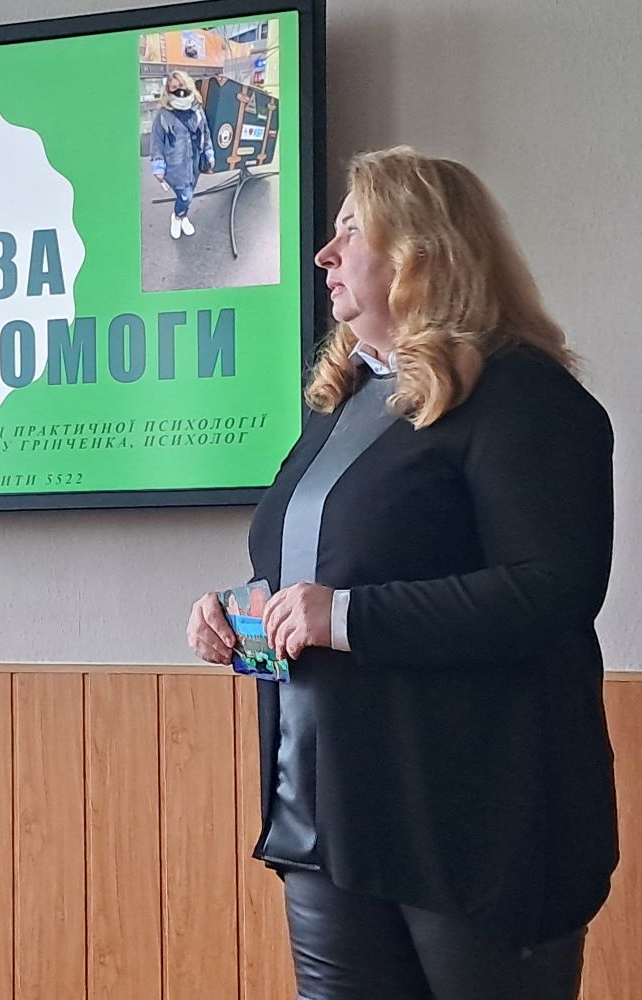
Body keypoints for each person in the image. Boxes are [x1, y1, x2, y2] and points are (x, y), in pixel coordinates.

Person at [186, 146, 617, 1000]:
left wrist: (346, 617)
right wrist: (242, 617)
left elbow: (552, 590)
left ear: (424, 250)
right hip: (323, 815)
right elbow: (323, 575)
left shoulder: (524, 397)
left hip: (469, 827)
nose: (324, 254)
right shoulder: (343, 403)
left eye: (352, 230)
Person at [149, 70, 216, 240]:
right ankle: (177, 217)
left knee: (189, 192)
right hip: (175, 166)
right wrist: (158, 165)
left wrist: (209, 153)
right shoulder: (163, 115)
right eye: (174, 87)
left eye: (181, 85)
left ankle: (183, 215)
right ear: (168, 90)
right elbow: (156, 142)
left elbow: (205, 133)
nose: (179, 90)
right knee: (185, 196)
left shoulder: (197, 111)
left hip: (195, 163)